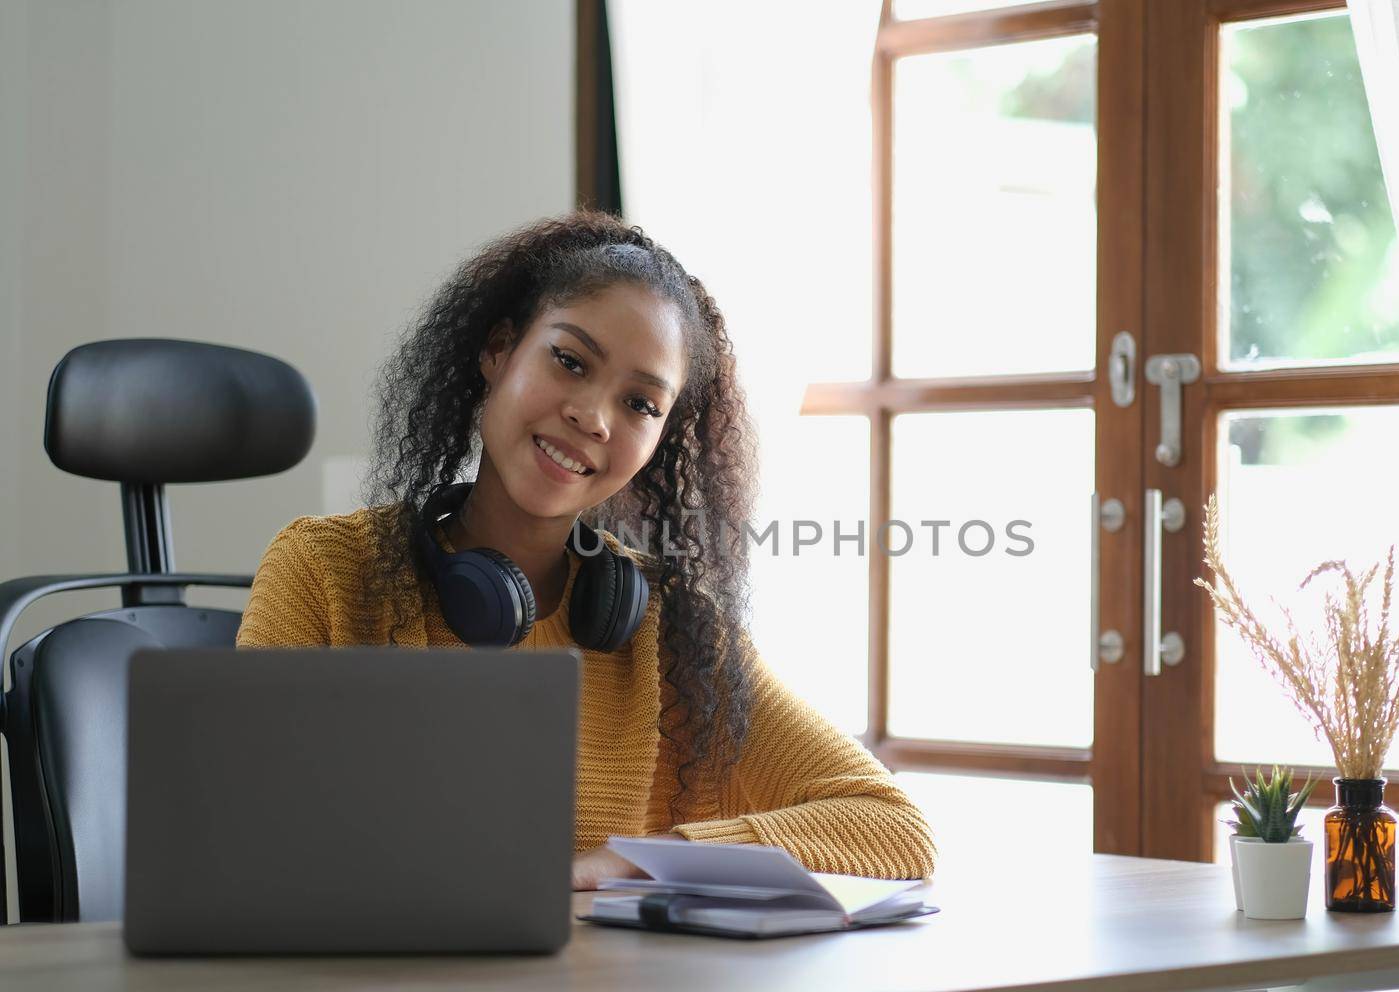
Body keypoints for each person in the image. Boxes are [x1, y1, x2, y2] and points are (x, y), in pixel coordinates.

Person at [237, 211, 937, 892]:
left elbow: (895, 828)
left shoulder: (672, 627)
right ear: (498, 350)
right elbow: (247, 835)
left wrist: (636, 859)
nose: (593, 416)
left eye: (640, 405)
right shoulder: (325, 571)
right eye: (569, 361)